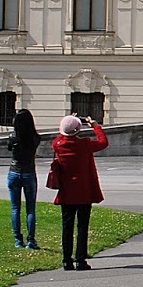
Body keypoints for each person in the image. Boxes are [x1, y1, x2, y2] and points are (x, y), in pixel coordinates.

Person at [50, 114, 107, 271]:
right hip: (84, 191)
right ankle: (81, 260)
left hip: (66, 192)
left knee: (66, 227)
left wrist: (68, 120)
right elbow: (103, 142)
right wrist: (95, 126)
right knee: (82, 226)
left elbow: (62, 135)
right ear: (78, 130)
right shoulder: (85, 144)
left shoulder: (58, 144)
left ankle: (67, 260)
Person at [5, 110, 41, 248]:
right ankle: (31, 240)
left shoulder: (13, 137)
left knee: (15, 209)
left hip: (14, 172)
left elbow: (10, 147)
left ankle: (18, 240)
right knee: (30, 209)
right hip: (29, 172)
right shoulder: (35, 138)